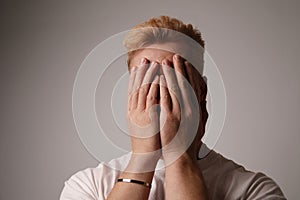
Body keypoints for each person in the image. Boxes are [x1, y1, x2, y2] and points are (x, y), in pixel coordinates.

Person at [60, 16, 286, 200]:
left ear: (201, 92)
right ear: (131, 93)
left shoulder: (254, 191)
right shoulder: (87, 186)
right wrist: (143, 157)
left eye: (175, 78)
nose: (160, 91)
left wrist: (179, 155)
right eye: (146, 79)